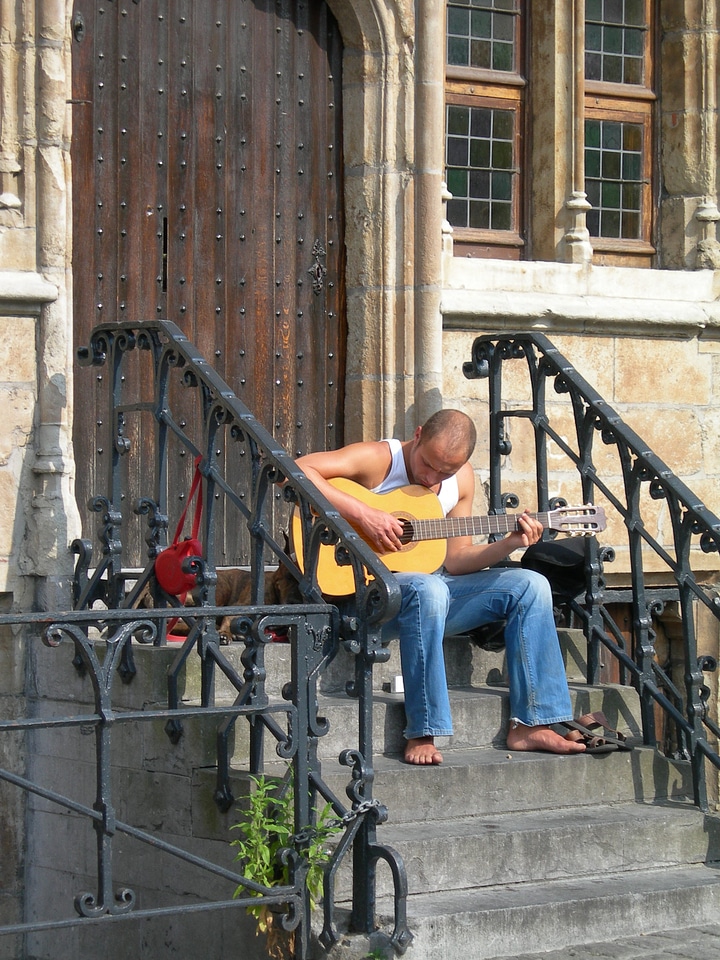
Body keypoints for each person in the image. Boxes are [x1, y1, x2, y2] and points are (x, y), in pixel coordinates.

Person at [294, 408, 586, 765]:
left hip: (426, 598)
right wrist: (362, 513)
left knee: (530, 585)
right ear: (417, 435)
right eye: (427, 464)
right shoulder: (380, 459)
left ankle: (532, 724)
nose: (432, 477)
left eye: (444, 471)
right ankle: (423, 729)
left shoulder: (460, 480)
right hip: (360, 597)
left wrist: (510, 543)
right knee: (428, 588)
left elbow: (458, 560)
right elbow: (295, 471)